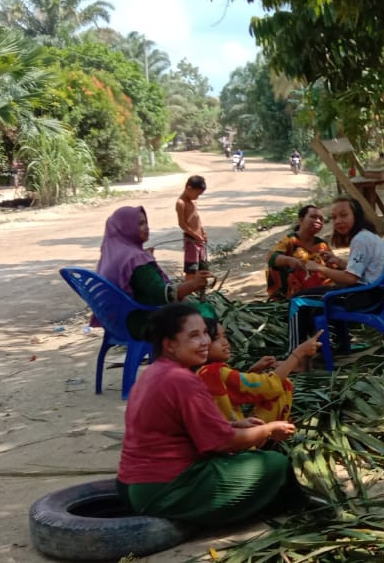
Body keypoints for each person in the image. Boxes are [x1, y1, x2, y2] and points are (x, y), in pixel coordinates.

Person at [117, 302, 309, 525]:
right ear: (169, 344)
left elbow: (186, 429)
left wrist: (236, 425)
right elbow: (222, 443)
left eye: (205, 334)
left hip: (129, 484)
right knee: (275, 464)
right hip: (164, 488)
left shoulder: (152, 372)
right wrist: (267, 430)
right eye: (194, 336)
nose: (206, 341)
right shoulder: (183, 380)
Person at [96, 206, 211, 338]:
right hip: (142, 323)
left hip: (116, 323)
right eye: (139, 224)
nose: (146, 227)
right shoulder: (136, 259)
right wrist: (193, 284)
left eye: (146, 223)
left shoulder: (113, 252)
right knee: (206, 312)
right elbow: (162, 295)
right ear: (125, 228)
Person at [288, 196, 384, 342]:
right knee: (317, 296)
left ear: (356, 215)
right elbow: (363, 268)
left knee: (298, 299)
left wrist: (318, 268)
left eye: (344, 215)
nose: (338, 221)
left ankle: (296, 354)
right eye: (334, 217)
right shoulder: (368, 236)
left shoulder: (360, 240)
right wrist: (338, 261)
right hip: (374, 292)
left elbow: (350, 278)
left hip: (364, 296)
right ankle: (334, 344)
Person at [196, 315, 323, 423]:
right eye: (216, 338)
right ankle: (268, 437)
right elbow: (270, 386)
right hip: (232, 441)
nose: (225, 343)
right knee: (283, 385)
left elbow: (236, 391)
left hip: (225, 433)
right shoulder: (215, 372)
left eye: (224, 336)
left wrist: (253, 371)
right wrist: (298, 353)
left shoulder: (202, 372)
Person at [266, 204, 332, 301]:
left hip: (321, 292)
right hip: (295, 295)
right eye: (313, 217)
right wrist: (289, 260)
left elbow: (334, 267)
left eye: (321, 219)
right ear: (301, 219)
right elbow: (271, 258)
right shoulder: (290, 241)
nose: (318, 221)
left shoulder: (322, 245)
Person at [177, 175, 208, 276]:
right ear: (189, 188)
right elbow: (182, 224)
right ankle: (191, 290)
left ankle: (201, 290)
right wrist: (195, 235)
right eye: (197, 194)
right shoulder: (181, 203)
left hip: (199, 239)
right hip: (191, 240)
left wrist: (202, 232)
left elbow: (197, 218)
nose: (197, 197)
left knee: (203, 268)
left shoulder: (193, 202)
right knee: (192, 269)